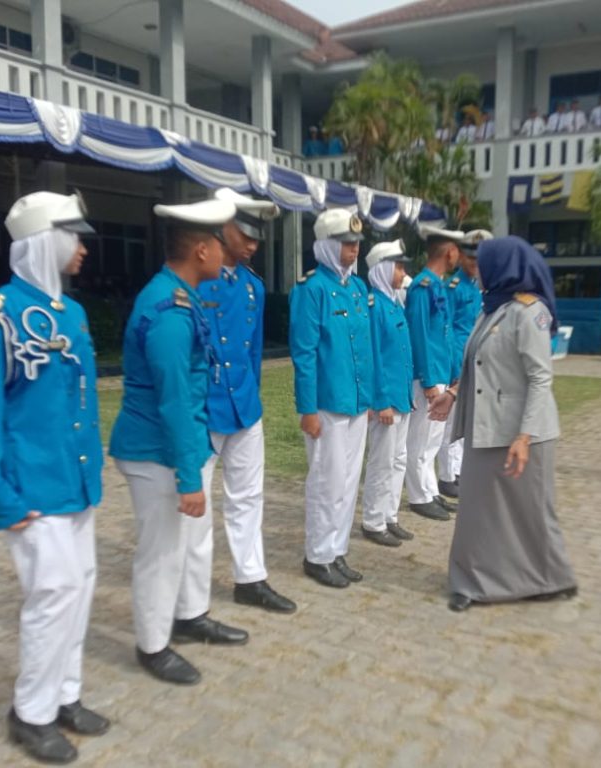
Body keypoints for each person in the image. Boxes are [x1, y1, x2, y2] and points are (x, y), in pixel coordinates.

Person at [0, 191, 109, 764]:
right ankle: (31, 713)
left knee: (80, 588)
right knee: (53, 595)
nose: (84, 247)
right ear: (46, 241)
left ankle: (65, 694)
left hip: (75, 482)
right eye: (74, 236)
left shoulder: (71, 313)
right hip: (29, 489)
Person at [110, 197, 250, 687]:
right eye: (219, 244)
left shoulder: (182, 297)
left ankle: (190, 616)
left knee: (187, 541)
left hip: (174, 445)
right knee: (162, 552)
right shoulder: (169, 311)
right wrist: (188, 476)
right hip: (156, 452)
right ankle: (153, 645)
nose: (225, 252)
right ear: (202, 251)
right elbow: (172, 400)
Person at [431, 236, 577, 613]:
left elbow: (541, 378)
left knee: (531, 512)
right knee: (478, 511)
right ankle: (473, 581)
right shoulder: (492, 308)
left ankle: (549, 578)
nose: (477, 269)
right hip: (487, 428)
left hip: (522, 434)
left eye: (484, 263)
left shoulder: (529, 313)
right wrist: (453, 394)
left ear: (504, 266)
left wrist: (524, 437)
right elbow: (479, 366)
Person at [197, 189, 296, 614]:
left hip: (244, 405)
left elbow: (252, 354)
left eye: (258, 236)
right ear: (223, 227)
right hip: (205, 408)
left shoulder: (253, 286)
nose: (254, 243)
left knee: (248, 496)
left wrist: (250, 395)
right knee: (196, 505)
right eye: (246, 233)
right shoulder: (197, 279)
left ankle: (250, 578)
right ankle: (190, 596)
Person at [289, 209, 373, 588]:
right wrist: (307, 409)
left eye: (356, 243)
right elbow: (304, 353)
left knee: (349, 481)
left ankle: (337, 549)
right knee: (327, 481)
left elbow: (365, 349)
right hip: (326, 402)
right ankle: (318, 555)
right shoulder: (312, 290)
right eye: (345, 243)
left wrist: (369, 397)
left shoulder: (357, 289)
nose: (353, 249)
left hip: (356, 401)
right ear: (325, 245)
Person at [404, 225, 464, 521]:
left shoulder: (437, 285)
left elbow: (445, 335)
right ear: (449, 252)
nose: (458, 256)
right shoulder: (422, 287)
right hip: (427, 376)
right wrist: (428, 380)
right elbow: (419, 335)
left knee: (432, 440)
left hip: (441, 371)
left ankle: (430, 491)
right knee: (421, 440)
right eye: (457, 251)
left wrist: (453, 372)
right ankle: (419, 496)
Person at [360, 240, 416, 548]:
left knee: (398, 459)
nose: (403, 273)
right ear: (382, 268)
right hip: (387, 399)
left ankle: (389, 515)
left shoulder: (394, 303)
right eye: (398, 267)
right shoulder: (375, 306)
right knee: (381, 461)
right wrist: (379, 400)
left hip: (401, 396)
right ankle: (373, 520)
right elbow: (374, 357)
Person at [436, 229, 490, 500]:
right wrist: (454, 366)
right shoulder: (453, 288)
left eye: (479, 260)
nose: (474, 264)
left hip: (476, 360)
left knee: (467, 420)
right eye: (470, 259)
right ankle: (447, 476)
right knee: (450, 423)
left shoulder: (481, 286)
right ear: (461, 257)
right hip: (458, 359)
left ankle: (459, 469)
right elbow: (447, 329)